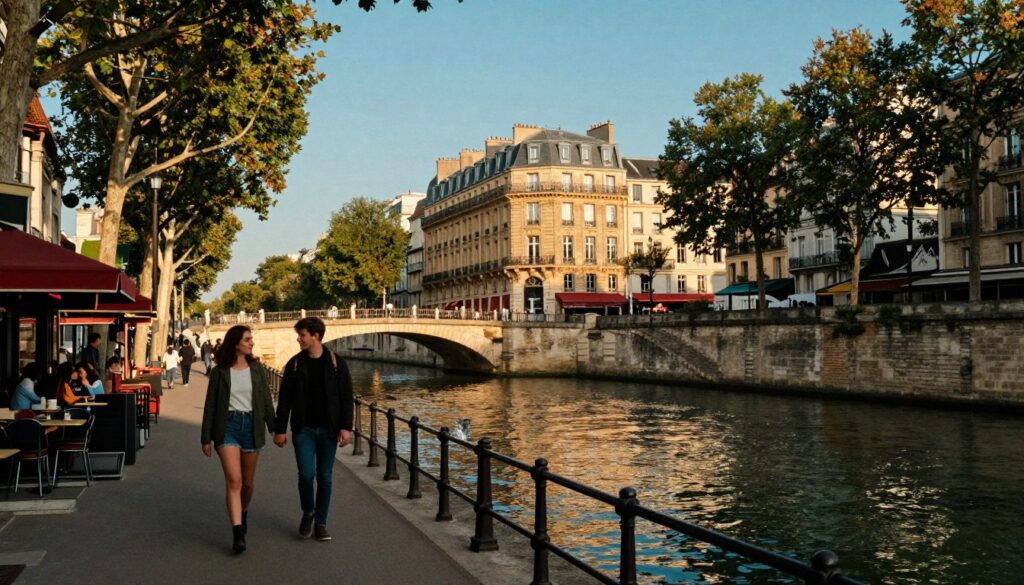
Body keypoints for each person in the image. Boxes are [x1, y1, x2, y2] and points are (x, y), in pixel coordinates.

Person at [273, 317, 353, 542]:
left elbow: (347, 397)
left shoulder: (337, 363)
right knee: (307, 475)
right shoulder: (295, 364)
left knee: (325, 477)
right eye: (299, 335)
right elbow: (285, 399)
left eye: (302, 335)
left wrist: (346, 427)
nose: (299, 339)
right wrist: (280, 429)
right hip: (303, 429)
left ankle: (321, 522)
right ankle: (308, 511)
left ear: (315, 336)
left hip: (328, 430)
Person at [200, 325, 276, 554]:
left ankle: (243, 513)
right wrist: (205, 438)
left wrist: (276, 429)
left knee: (248, 484)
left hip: (251, 426)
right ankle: (237, 533)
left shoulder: (257, 369)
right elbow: (211, 406)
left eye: (251, 339)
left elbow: (265, 401)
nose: (251, 342)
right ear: (236, 343)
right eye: (247, 339)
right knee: (234, 480)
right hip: (228, 426)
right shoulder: (219, 372)